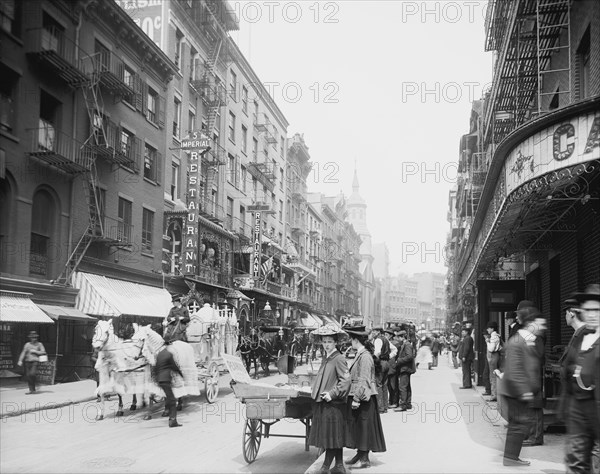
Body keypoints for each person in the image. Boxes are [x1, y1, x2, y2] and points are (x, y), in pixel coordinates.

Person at [498, 304, 547, 467]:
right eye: (539, 323)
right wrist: (525, 391)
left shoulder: (527, 340)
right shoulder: (518, 341)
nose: (542, 326)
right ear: (530, 323)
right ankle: (510, 458)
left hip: (518, 389)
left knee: (518, 424)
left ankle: (511, 457)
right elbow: (516, 369)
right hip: (516, 390)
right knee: (519, 424)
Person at [560, 284, 600, 474]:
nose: (592, 314)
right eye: (588, 310)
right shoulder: (580, 337)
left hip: (596, 407)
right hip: (578, 408)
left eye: (597, 310)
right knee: (575, 462)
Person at [308, 327, 350, 474]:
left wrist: (332, 394)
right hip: (325, 404)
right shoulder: (327, 358)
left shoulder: (338, 358)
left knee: (330, 437)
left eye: (330, 342)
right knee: (334, 435)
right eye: (324, 341)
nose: (326, 344)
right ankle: (339, 466)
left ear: (335, 342)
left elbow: (345, 381)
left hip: (333, 405)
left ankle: (325, 467)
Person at [344, 326, 386, 468]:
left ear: (356, 340)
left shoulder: (365, 356)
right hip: (361, 395)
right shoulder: (361, 354)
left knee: (364, 426)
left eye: (351, 339)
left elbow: (364, 379)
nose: (350, 342)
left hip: (363, 397)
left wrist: (356, 398)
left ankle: (364, 458)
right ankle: (360, 454)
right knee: (360, 426)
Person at [154, 335, 184, 427]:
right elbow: (174, 366)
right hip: (166, 379)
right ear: (170, 344)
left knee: (168, 397)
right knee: (172, 400)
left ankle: (168, 415)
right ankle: (173, 421)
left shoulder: (159, 354)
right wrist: (181, 375)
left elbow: (156, 368)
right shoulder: (169, 354)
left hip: (160, 379)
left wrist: (156, 379)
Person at [370, 327, 391, 414]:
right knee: (384, 385)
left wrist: (374, 360)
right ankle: (385, 406)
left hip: (380, 363)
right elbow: (393, 350)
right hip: (386, 362)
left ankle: (380, 407)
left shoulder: (378, 340)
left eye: (374, 331)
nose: (373, 332)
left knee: (378, 384)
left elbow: (377, 352)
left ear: (378, 332)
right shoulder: (385, 339)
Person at [394, 330, 415, 412]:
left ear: (402, 337)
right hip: (406, 368)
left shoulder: (407, 345)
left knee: (402, 387)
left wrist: (399, 360)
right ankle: (408, 403)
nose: (397, 339)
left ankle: (403, 405)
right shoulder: (406, 344)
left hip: (405, 368)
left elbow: (409, 356)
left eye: (398, 337)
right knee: (407, 386)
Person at [484, 321, 502, 401]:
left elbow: (491, 348)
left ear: (492, 328)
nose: (487, 329)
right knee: (493, 375)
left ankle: (494, 395)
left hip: (493, 356)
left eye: (488, 328)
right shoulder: (495, 335)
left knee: (493, 376)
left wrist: (487, 342)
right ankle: (494, 394)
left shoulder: (494, 336)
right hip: (494, 356)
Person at [384, 329, 399, 408]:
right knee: (389, 385)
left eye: (387, 334)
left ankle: (395, 401)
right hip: (388, 366)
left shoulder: (395, 344)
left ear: (391, 336)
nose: (385, 336)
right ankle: (391, 401)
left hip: (392, 366)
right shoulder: (387, 342)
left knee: (393, 385)